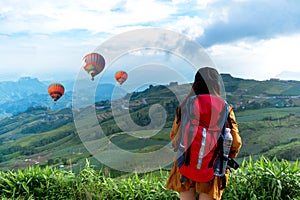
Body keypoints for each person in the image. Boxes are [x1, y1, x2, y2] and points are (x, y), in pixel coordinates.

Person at [166, 67, 242, 200]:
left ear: (195, 83)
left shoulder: (185, 106)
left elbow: (175, 139)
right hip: (213, 166)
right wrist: (225, 156)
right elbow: (235, 142)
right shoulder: (225, 109)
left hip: (185, 162)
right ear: (217, 84)